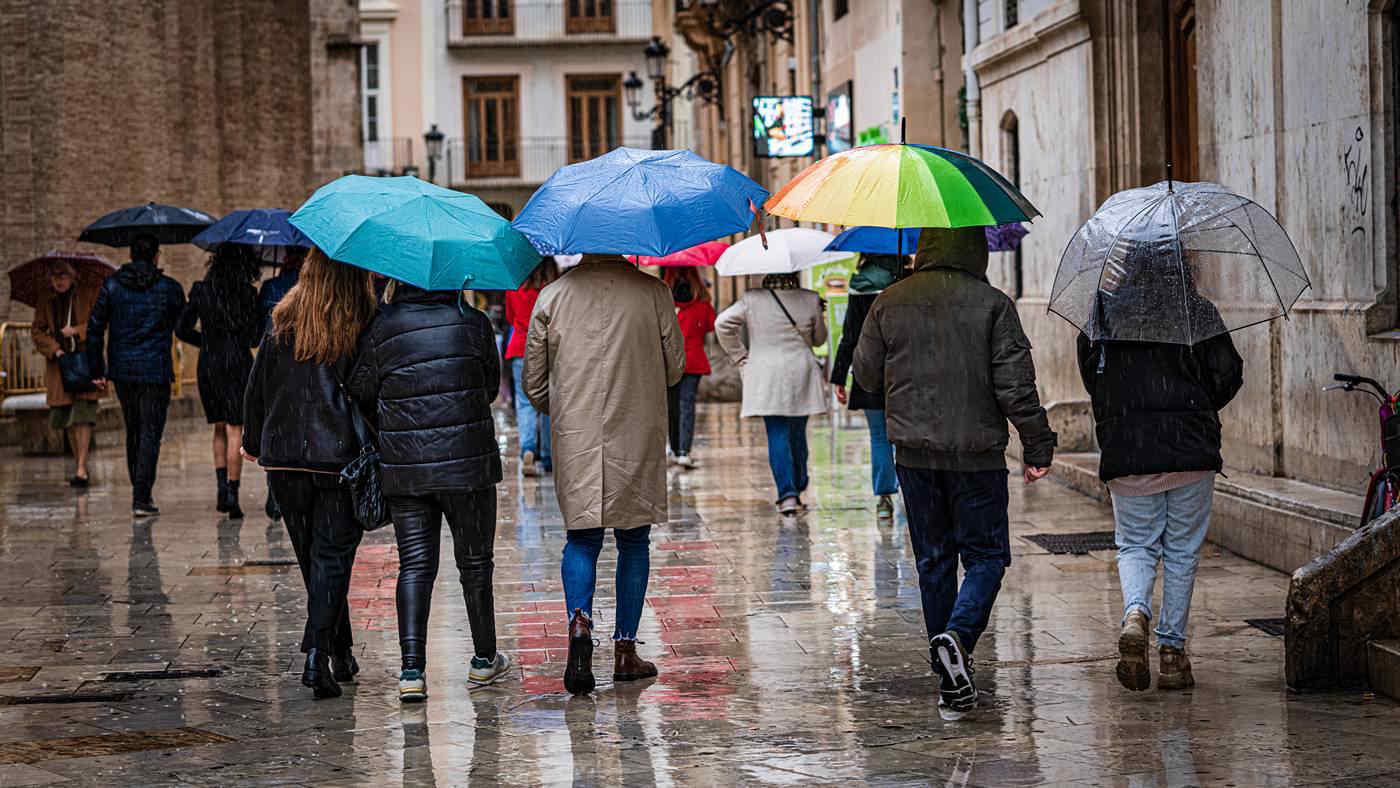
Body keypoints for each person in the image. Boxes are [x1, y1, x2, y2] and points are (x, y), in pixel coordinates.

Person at [852, 227, 1056, 720]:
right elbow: (1015, 385)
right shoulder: (993, 304)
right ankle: (959, 638)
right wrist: (1038, 442)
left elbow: (865, 375)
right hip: (977, 455)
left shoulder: (890, 300)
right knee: (986, 556)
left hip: (915, 457)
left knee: (934, 561)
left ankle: (947, 669)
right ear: (976, 251)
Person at [1077, 261, 1243, 693]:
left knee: (1135, 543)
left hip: (1127, 449)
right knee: (1183, 551)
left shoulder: (1103, 313)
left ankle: (1135, 613)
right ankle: (1171, 654)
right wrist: (1197, 403)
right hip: (1190, 448)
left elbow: (1091, 375)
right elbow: (1229, 373)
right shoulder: (1197, 311)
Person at [523, 254, 685, 695]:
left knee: (582, 538)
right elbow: (675, 368)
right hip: (636, 428)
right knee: (634, 540)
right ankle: (625, 650)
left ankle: (579, 623)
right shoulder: (654, 292)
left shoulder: (552, 296)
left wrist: (564, 409)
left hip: (575, 433)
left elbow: (533, 382)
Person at [348, 278, 510, 702]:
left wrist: (392, 424)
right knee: (475, 565)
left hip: (406, 467)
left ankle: (411, 670)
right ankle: (483, 659)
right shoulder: (472, 323)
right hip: (468, 467)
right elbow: (490, 388)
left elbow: (361, 388)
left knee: (415, 566)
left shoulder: (380, 327)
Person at [242, 249, 376, 699]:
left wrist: (254, 439)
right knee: (332, 559)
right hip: (338, 458)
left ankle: (341, 650)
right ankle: (317, 657)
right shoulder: (360, 322)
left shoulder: (281, 320)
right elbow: (368, 391)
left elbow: (257, 384)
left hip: (284, 460)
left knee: (315, 562)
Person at [86, 233, 187, 518]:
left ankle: (139, 490)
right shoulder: (169, 288)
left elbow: (95, 328)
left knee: (133, 429)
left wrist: (96, 370)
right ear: (156, 255)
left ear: (130, 255)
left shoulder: (112, 286)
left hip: (123, 370)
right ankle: (142, 495)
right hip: (155, 369)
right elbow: (182, 323)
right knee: (150, 433)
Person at [715, 272, 828, 516]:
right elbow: (819, 340)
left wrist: (740, 356)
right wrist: (819, 314)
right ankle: (799, 482)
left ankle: (787, 495)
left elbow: (722, 323)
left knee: (777, 432)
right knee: (797, 432)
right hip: (800, 372)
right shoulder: (809, 299)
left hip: (766, 374)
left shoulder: (751, 299)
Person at [177, 244, 262, 519]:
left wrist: (206, 342)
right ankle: (233, 495)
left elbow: (181, 328)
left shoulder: (201, 290)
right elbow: (253, 338)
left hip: (210, 364)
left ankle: (220, 488)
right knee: (236, 428)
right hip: (238, 363)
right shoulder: (248, 293)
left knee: (219, 426)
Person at [829, 254, 904, 519]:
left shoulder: (859, 285)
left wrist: (839, 376)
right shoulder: (907, 282)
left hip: (869, 370)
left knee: (879, 436)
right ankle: (911, 490)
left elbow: (850, 336)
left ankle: (884, 498)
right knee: (909, 434)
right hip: (906, 370)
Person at [32, 260, 102, 488]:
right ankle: (79, 462)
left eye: (63, 276)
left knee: (83, 415)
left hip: (84, 361)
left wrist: (76, 331)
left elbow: (98, 323)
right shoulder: (45, 299)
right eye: (55, 276)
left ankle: (81, 467)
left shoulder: (88, 294)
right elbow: (37, 331)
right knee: (69, 418)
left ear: (73, 277)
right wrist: (55, 349)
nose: (59, 280)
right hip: (60, 366)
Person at [255, 247, 306, 521]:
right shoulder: (313, 290)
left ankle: (275, 494)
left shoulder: (271, 287)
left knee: (275, 425)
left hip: (274, 367)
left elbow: (258, 331)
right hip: (307, 366)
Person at [504, 260, 558, 477]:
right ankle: (547, 456)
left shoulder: (515, 285)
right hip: (545, 348)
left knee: (524, 401)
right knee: (547, 402)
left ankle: (527, 448)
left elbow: (510, 317)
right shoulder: (552, 289)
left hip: (519, 347)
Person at [662, 267, 716, 469]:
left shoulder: (664, 303)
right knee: (687, 405)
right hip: (693, 360)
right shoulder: (702, 303)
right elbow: (711, 326)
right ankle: (684, 451)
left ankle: (673, 448)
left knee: (670, 406)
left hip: (669, 361)